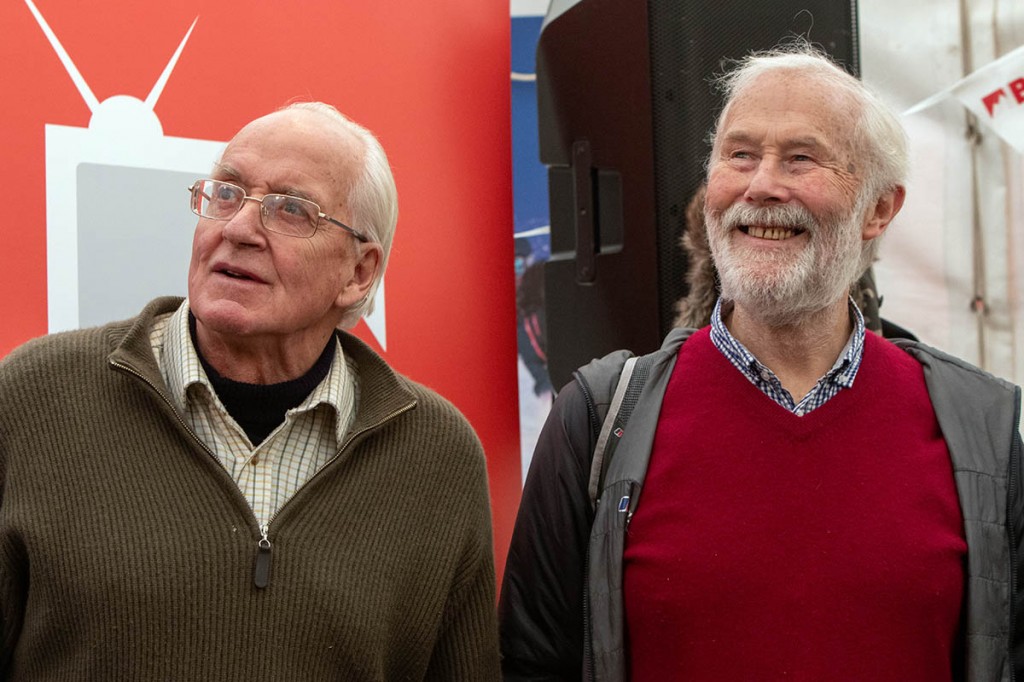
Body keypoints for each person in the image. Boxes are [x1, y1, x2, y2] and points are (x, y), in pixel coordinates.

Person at [499, 44, 1024, 681]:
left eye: (800, 158)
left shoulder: (979, 429)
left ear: (879, 209)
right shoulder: (599, 420)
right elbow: (533, 664)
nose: (761, 186)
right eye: (739, 155)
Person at [0, 102, 500, 679]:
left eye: (291, 209)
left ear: (359, 272)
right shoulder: (37, 397)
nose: (237, 229)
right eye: (227, 194)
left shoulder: (436, 455)